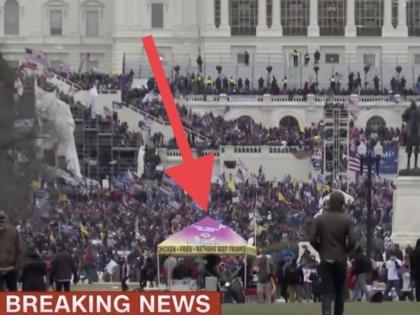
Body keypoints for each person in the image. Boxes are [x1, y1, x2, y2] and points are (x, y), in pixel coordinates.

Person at [310, 191, 356, 315]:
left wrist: (320, 249)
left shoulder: (319, 219)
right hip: (340, 258)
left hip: (325, 258)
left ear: (329, 203)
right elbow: (352, 241)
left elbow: (312, 239)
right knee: (339, 292)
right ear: (341, 204)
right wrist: (345, 251)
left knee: (326, 291)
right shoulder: (347, 220)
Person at [0, 210, 22, 291]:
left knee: (13, 294)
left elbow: (19, 251)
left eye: (2, 220)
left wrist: (15, 267)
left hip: (10, 269)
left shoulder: (13, 232)